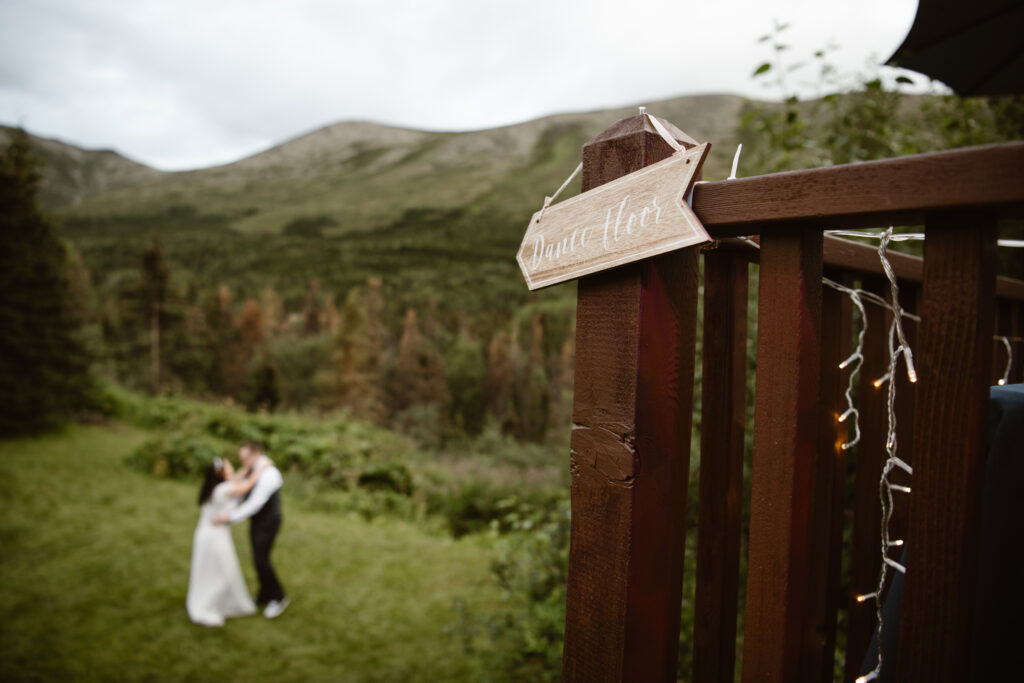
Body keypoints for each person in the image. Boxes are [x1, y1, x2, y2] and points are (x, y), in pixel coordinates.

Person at [186, 456, 267, 626]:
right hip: (215, 537)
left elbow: (237, 478)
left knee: (210, 571)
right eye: (229, 469)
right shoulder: (224, 489)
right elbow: (247, 486)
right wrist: (261, 468)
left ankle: (212, 601)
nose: (233, 471)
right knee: (221, 573)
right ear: (221, 474)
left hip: (206, 534)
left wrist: (247, 468)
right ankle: (210, 605)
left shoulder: (213, 487)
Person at [214, 442, 289, 618]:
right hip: (257, 521)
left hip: (269, 522)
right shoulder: (253, 469)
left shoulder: (270, 474)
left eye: (245, 458)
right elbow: (242, 490)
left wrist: (230, 517)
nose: (243, 461)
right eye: (241, 459)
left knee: (262, 559)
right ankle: (264, 594)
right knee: (257, 558)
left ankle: (279, 597)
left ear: (256, 454)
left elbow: (255, 503)